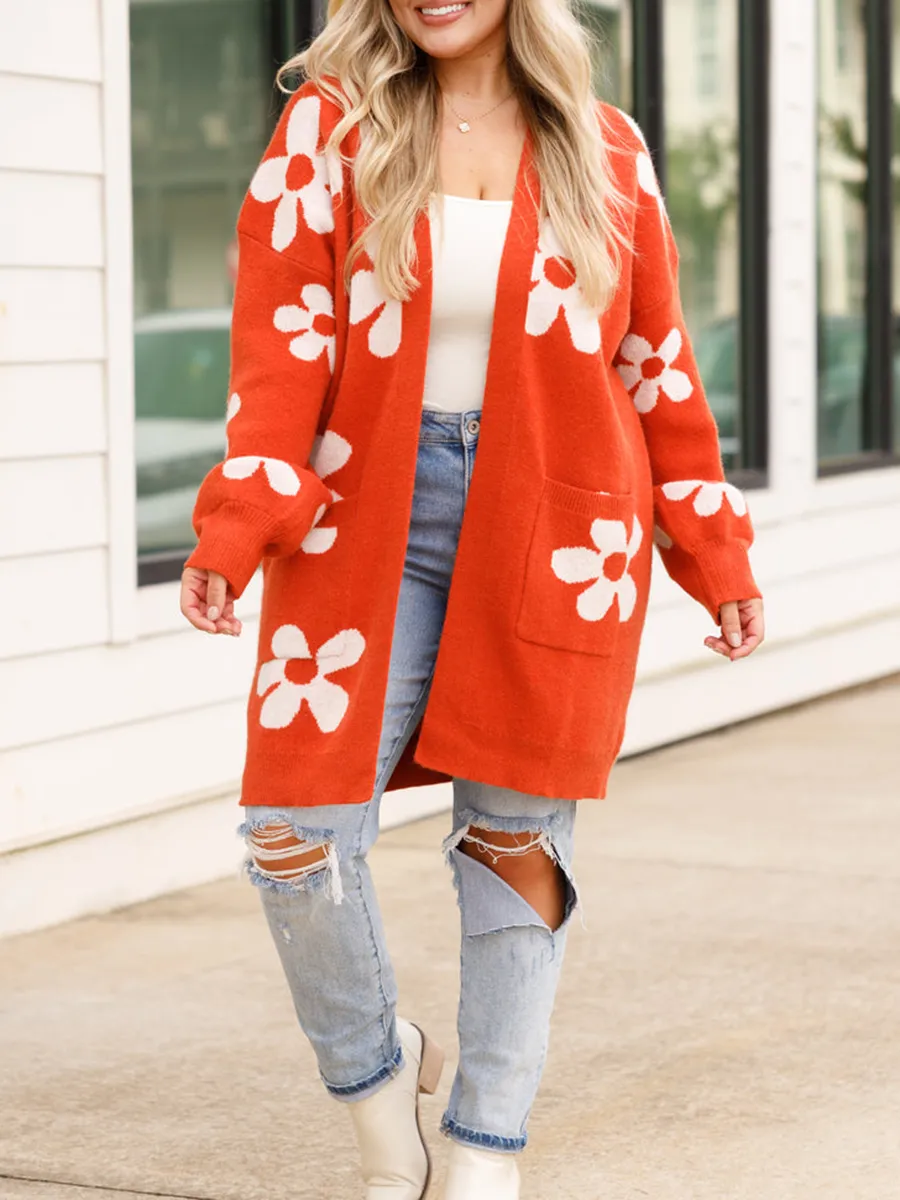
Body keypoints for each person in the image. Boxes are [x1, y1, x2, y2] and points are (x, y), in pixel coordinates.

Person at [179, 0, 765, 1195]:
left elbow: (656, 362)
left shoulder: (606, 149)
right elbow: (281, 343)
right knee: (293, 834)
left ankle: (488, 1140)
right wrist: (240, 523)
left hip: (557, 520)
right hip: (361, 519)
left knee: (515, 842)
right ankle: (375, 1076)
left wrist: (711, 549)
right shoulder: (330, 129)